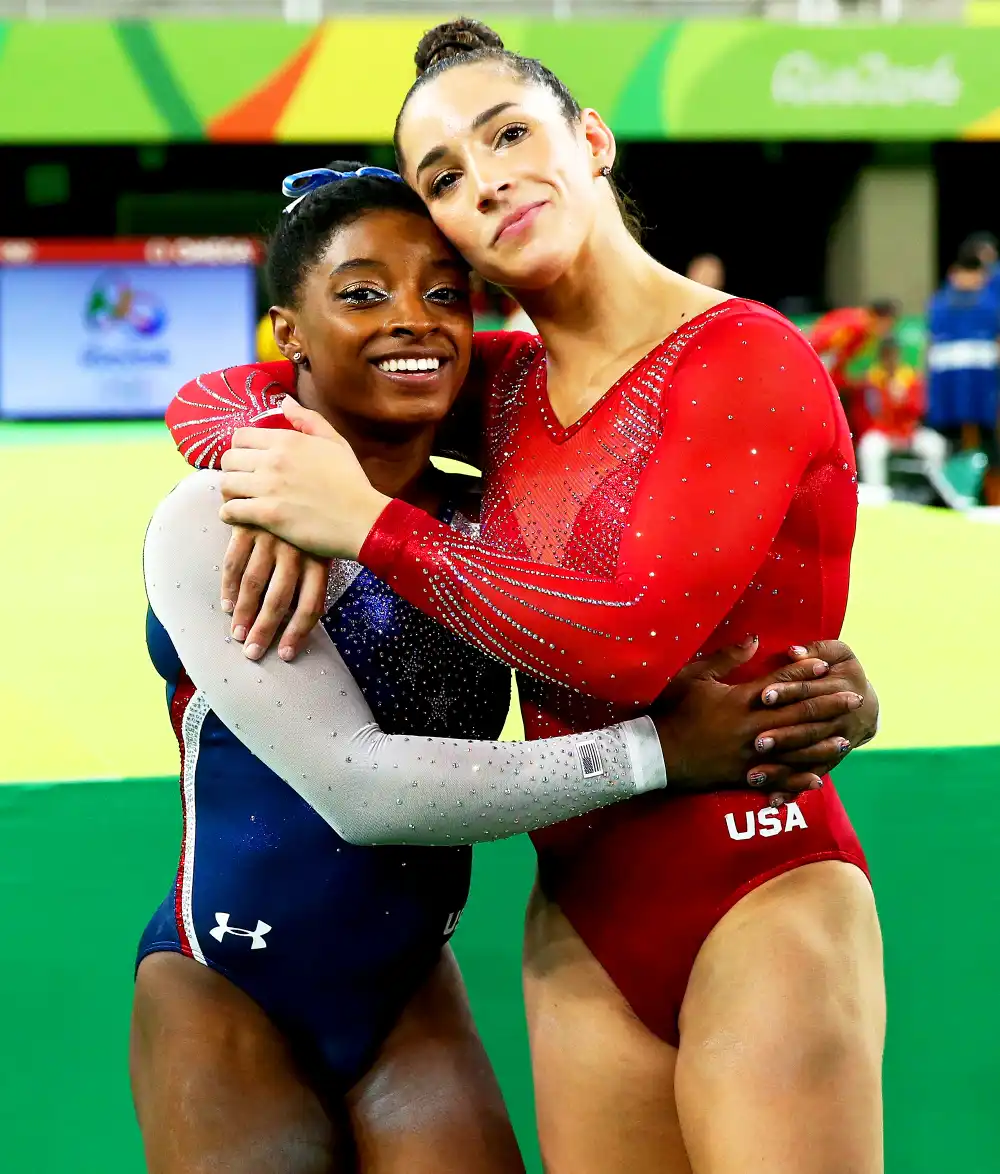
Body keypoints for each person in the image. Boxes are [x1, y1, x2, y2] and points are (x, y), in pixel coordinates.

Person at [194, 23, 886, 1173]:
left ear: (591, 141)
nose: (489, 179)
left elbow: (626, 644)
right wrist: (277, 438)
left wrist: (364, 522)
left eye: (509, 132)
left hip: (759, 886)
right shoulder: (507, 388)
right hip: (579, 925)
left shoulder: (742, 357)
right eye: (446, 178)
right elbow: (229, 385)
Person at [926, 242, 1000, 505]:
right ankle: (952, 497)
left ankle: (990, 500)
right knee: (951, 446)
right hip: (951, 394)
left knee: (988, 445)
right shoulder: (941, 304)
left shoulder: (990, 303)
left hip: (983, 393)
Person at [856, 337, 947, 489]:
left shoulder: (910, 378)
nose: (891, 359)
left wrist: (903, 399)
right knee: (869, 448)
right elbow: (867, 413)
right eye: (887, 355)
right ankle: (877, 495)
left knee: (935, 445)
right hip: (884, 433)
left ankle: (938, 491)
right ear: (881, 357)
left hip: (909, 433)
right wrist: (888, 397)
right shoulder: (872, 380)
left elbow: (920, 409)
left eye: (893, 355)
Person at [808, 297, 899, 441]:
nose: (889, 329)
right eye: (889, 324)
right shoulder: (854, 327)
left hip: (830, 376)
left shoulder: (863, 326)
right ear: (879, 317)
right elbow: (822, 350)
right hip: (816, 377)